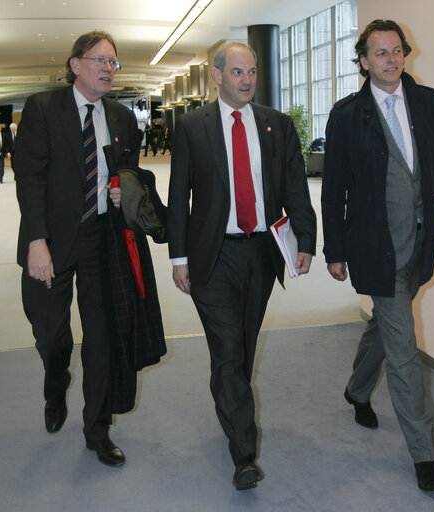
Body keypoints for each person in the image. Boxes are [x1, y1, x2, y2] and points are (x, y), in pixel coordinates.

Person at [321, 19, 434, 492]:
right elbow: (334, 189)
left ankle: (356, 389)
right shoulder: (346, 115)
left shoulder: (427, 102)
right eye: (380, 53)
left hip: (420, 246)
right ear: (363, 61)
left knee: (385, 322)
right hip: (374, 248)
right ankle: (424, 456)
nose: (391, 59)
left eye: (397, 50)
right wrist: (334, 249)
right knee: (404, 350)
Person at [168, 42, 317, 490]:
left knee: (242, 349)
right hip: (212, 254)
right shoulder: (193, 127)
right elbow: (179, 196)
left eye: (251, 71)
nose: (247, 80)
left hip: (260, 252)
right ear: (216, 76)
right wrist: (179, 257)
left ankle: (229, 403)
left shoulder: (277, 125)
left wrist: (305, 241)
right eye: (237, 72)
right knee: (229, 347)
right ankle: (244, 454)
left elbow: (295, 186)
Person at [13, 30, 143, 468]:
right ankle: (56, 377)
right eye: (100, 60)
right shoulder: (43, 109)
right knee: (50, 335)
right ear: (75, 65)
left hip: (101, 241)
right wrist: (36, 242)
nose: (108, 68)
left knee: (102, 339)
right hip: (50, 238)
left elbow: (131, 176)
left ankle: (97, 430)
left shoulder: (123, 118)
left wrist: (128, 191)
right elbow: (28, 179)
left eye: (114, 62)